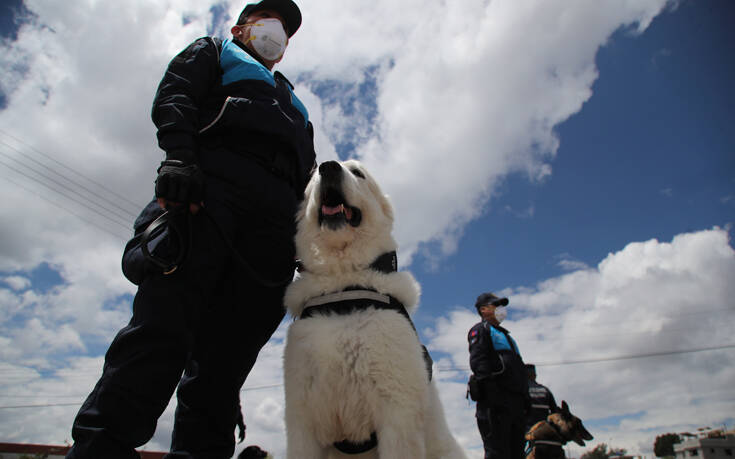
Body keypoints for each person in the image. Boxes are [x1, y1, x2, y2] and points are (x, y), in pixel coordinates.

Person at [66, 1, 315, 458]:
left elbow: (306, 176)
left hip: (272, 235)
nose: (277, 31)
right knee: (159, 336)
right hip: (208, 200)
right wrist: (179, 157)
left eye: (287, 28)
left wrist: (305, 238)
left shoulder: (295, 103)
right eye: (268, 19)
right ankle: (100, 448)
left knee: (223, 370)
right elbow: (176, 95)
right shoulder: (214, 51)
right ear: (242, 27)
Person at [468, 292, 530, 459]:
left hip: (516, 405)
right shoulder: (480, 330)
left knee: (517, 453)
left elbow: (519, 369)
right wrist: (492, 397)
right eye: (496, 305)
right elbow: (479, 363)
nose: (500, 310)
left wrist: (526, 399)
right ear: (484, 310)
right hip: (495, 405)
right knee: (498, 453)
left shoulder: (507, 336)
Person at [524, 363, 559, 432]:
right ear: (535, 376)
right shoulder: (546, 390)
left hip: (526, 431)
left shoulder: (521, 390)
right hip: (543, 431)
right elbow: (555, 412)